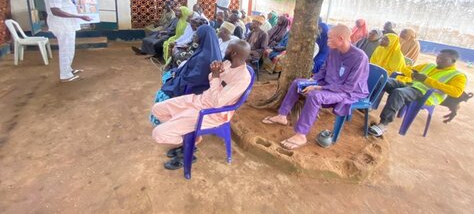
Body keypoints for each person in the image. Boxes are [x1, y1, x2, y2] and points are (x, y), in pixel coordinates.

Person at [262, 24, 369, 150]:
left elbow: (349, 87)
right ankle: (282, 116)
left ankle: (301, 135)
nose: (327, 41)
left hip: (348, 92)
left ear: (341, 39)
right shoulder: (334, 50)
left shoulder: (360, 57)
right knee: (298, 83)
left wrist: (318, 88)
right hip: (328, 84)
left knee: (315, 96)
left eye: (330, 38)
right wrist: (312, 81)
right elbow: (324, 70)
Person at [151, 40, 252, 169]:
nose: (225, 50)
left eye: (228, 48)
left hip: (212, 113)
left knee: (158, 134)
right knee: (157, 109)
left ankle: (189, 143)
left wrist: (216, 77)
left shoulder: (242, 78)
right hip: (200, 100)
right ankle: (190, 138)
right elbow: (212, 81)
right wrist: (214, 72)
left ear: (234, 53)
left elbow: (217, 103)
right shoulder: (228, 63)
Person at [368, 49, 467, 137]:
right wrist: (412, 74)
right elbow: (405, 68)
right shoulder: (429, 66)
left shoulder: (458, 76)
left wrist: (427, 80)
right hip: (410, 85)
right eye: (438, 57)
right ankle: (368, 104)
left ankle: (383, 124)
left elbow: (456, 92)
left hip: (425, 94)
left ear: (453, 61)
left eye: (443, 59)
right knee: (382, 80)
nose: (439, 60)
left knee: (399, 93)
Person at [42, 0, 92, 82]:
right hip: (62, 25)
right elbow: (56, 10)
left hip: (66, 24)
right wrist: (79, 16)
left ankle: (68, 69)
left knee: (69, 48)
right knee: (66, 49)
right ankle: (65, 75)